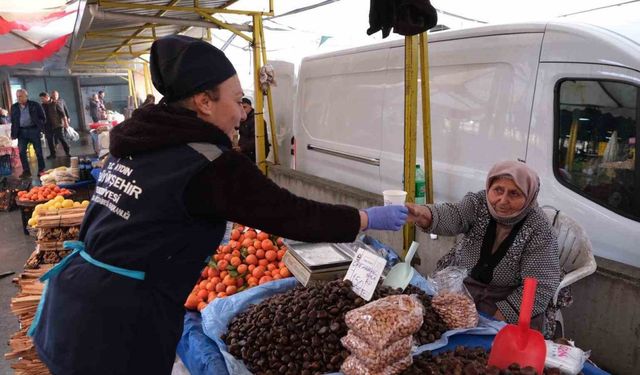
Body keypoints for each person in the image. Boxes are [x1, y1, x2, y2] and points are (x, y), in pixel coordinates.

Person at [30, 35, 409, 375]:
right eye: (236, 99)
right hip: (118, 329)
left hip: (75, 305)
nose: (244, 112)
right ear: (204, 102)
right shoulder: (207, 163)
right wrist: (364, 217)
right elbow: (294, 214)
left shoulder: (139, 143)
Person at [407, 161, 560, 335]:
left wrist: (496, 321)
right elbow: (455, 215)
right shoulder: (479, 203)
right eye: (498, 190)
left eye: (514, 194)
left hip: (508, 299)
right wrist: (422, 214)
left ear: (529, 197)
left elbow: (540, 285)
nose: (503, 201)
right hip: (465, 288)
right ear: (489, 188)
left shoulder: (540, 229)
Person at [11, 89, 46, 178]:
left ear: (26, 96)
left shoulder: (35, 105)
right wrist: (13, 133)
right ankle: (26, 171)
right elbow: (14, 121)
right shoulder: (14, 107)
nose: (19, 98)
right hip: (21, 132)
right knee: (22, 152)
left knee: (38, 151)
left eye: (21, 96)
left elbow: (43, 117)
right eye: (17, 96)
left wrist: (39, 127)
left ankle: (41, 169)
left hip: (33, 130)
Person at [236, 97, 270, 163]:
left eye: (245, 107)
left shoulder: (257, 120)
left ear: (250, 107)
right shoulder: (243, 119)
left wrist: (241, 148)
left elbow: (256, 140)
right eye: (240, 108)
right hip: (245, 150)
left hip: (255, 152)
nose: (242, 110)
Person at [39, 92, 71, 158]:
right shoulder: (42, 105)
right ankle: (52, 154)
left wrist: (66, 123)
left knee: (62, 139)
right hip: (47, 126)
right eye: (41, 99)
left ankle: (67, 152)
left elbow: (63, 114)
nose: (41, 100)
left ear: (47, 97)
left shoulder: (55, 103)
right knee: (50, 140)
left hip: (57, 125)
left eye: (42, 98)